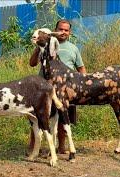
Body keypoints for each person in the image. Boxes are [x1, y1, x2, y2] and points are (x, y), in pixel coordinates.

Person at [29, 19, 86, 154]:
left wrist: (83, 87)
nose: (63, 32)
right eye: (60, 29)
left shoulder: (74, 48)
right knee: (37, 117)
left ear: (69, 32)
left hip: (66, 90)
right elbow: (32, 63)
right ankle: (33, 146)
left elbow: (81, 68)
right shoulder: (44, 44)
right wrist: (39, 47)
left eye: (66, 30)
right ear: (55, 30)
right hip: (44, 88)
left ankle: (61, 147)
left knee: (63, 119)